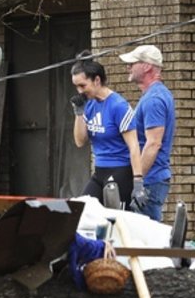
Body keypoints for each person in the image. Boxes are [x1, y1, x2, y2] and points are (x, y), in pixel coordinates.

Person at [71, 55, 140, 207]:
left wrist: (138, 181)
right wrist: (79, 113)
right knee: (82, 211)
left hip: (120, 171)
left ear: (97, 80)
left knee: (114, 219)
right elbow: (80, 141)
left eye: (83, 86)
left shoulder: (118, 106)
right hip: (100, 170)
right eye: (76, 87)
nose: (79, 91)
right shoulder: (89, 105)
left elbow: (134, 146)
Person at [118, 44, 175, 221]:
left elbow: (153, 143)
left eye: (133, 63)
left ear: (147, 66)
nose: (128, 67)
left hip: (150, 181)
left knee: (145, 242)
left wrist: (137, 183)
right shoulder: (155, 95)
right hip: (151, 179)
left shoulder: (154, 100)